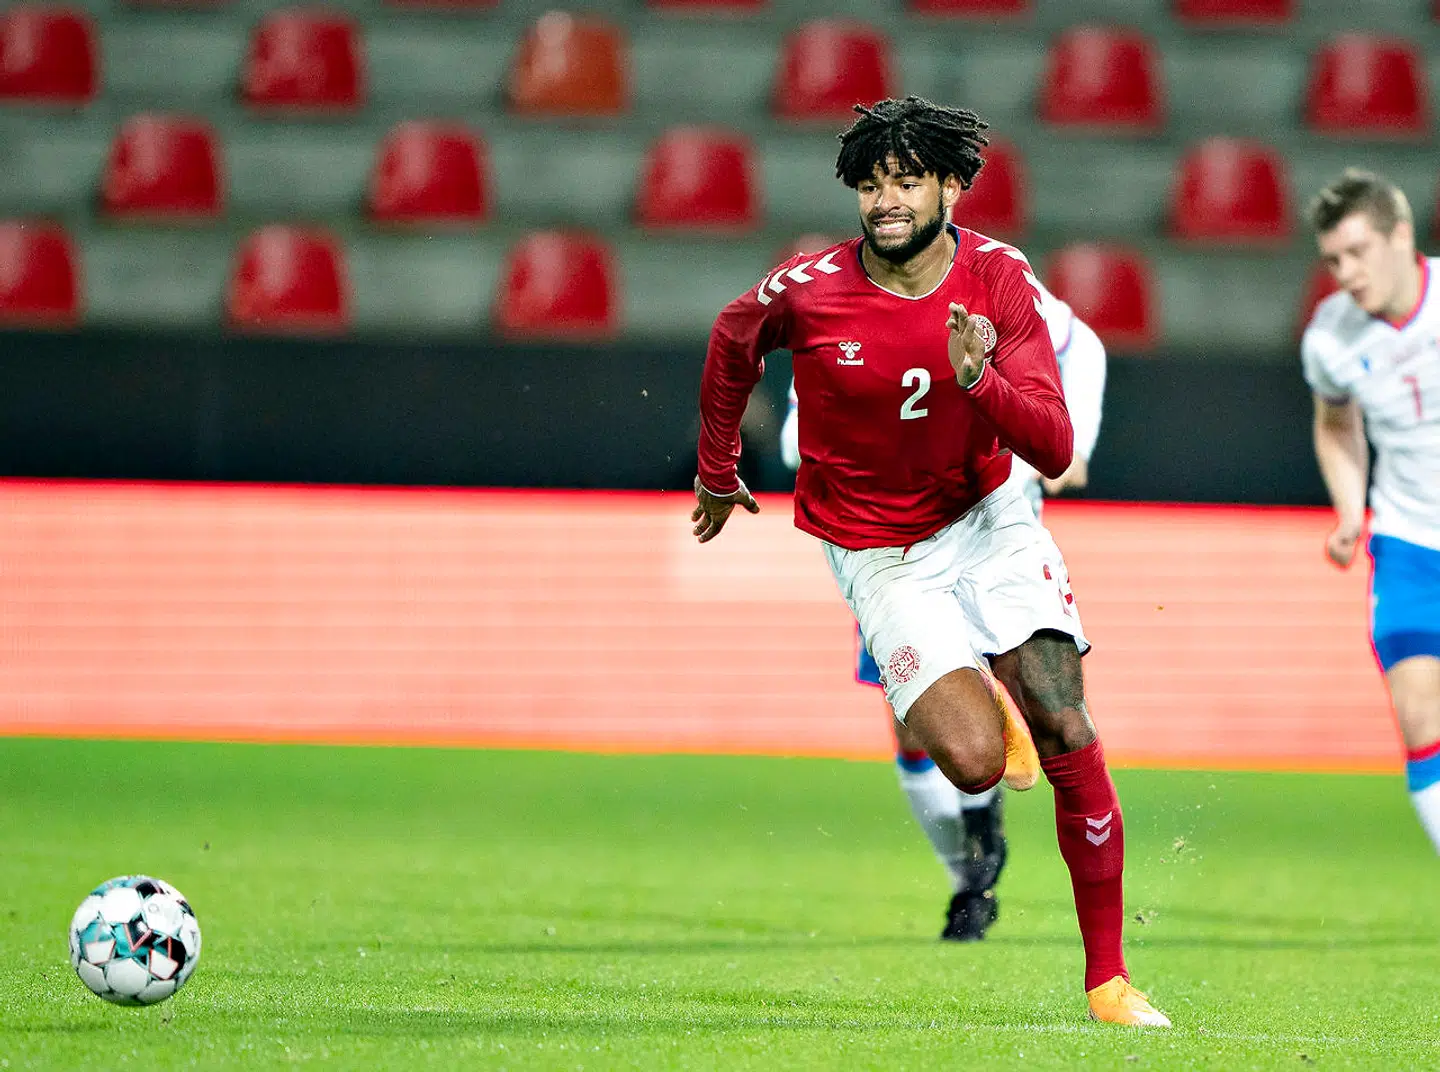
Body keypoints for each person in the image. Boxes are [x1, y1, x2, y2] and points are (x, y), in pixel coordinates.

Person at [690, 96, 1167, 1027]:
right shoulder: (809, 288)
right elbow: (729, 342)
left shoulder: (998, 277)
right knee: (976, 766)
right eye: (870, 185)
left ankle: (1108, 980)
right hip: (874, 550)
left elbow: (1056, 443)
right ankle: (988, 696)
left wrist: (979, 380)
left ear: (951, 184)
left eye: (906, 180)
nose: (886, 202)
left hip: (987, 517)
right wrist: (717, 471)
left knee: (1066, 720)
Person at [777, 278, 1107, 942]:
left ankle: (1009, 852)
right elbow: (793, 440)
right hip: (891, 545)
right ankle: (970, 873)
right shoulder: (841, 311)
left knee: (1038, 705)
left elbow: (1083, 344)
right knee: (913, 730)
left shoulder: (995, 281)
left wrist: (1076, 441)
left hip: (992, 532)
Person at [1302, 168, 1440, 854]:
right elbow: (1335, 424)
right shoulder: (1331, 336)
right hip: (1411, 541)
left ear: (1401, 235)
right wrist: (1350, 511)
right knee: (1421, 720)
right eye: (1333, 260)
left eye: (1358, 253)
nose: (1346, 274)